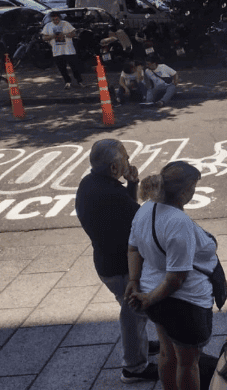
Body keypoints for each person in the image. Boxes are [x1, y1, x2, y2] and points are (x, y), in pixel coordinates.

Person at [75, 139, 159, 384]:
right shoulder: (110, 194)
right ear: (114, 168)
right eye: (125, 160)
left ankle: (139, 346)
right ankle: (134, 367)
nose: (128, 163)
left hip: (106, 262)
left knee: (134, 312)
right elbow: (140, 218)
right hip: (120, 267)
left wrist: (131, 183)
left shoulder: (90, 183)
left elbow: (126, 209)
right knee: (134, 314)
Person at [126, 161, 216, 390]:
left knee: (167, 353)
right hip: (184, 304)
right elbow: (176, 278)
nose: (194, 191)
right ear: (185, 191)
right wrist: (150, 298)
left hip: (152, 293)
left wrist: (135, 283)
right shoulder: (179, 222)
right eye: (193, 187)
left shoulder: (146, 208)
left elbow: (133, 248)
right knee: (188, 363)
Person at [41, 12, 84, 90]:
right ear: (51, 19)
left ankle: (79, 81)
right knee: (62, 68)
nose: (55, 21)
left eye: (57, 19)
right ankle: (67, 82)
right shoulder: (48, 26)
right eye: (53, 19)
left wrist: (64, 35)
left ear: (59, 18)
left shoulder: (65, 24)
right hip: (57, 51)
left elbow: (73, 33)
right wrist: (52, 36)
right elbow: (44, 38)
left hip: (69, 50)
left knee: (74, 67)